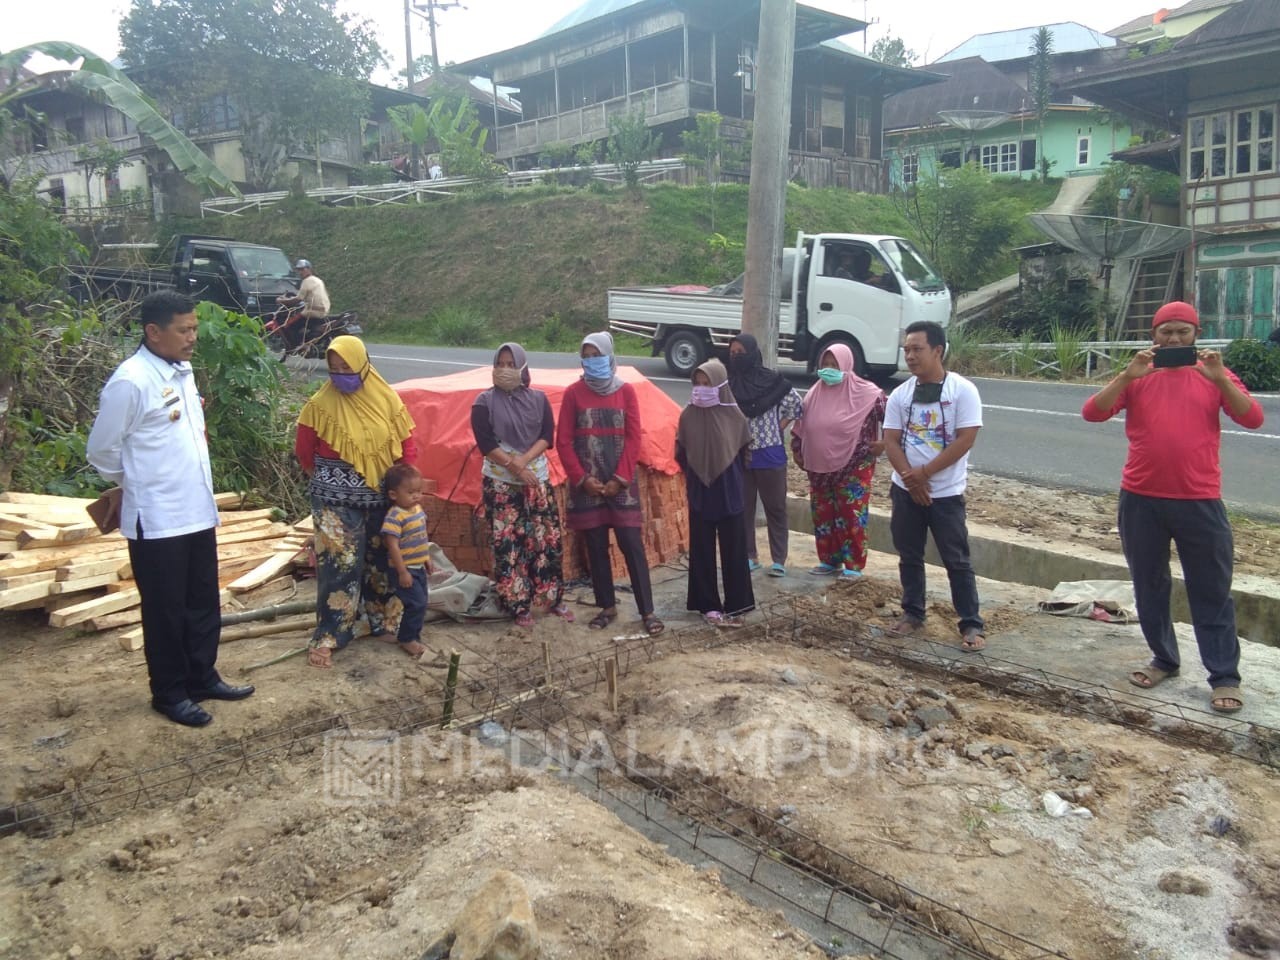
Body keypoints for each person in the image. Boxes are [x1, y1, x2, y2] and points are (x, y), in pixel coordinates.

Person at [1082, 301, 1264, 714]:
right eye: (1167, 332)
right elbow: (1092, 412)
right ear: (1154, 335)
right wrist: (1127, 375)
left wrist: (1219, 378)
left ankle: (1223, 676)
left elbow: (1252, 418)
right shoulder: (1140, 375)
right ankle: (1164, 658)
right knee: (1149, 584)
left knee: (1211, 590)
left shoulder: (1213, 374)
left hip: (1200, 499)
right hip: (1141, 498)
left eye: (1183, 331)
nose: (1174, 339)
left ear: (1196, 334)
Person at [86, 290, 254, 727]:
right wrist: (136, 481)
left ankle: (202, 676)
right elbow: (102, 450)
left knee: (202, 601)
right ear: (154, 332)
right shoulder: (131, 380)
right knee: (165, 609)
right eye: (185, 330)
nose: (193, 337)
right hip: (157, 517)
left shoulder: (182, 371)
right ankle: (170, 692)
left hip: (195, 509)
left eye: (194, 328)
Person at [295, 335, 418, 668]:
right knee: (339, 567)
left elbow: (407, 448)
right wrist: (333, 482)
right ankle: (332, 633)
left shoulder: (389, 401)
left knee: (383, 563)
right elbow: (304, 451)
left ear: (363, 365)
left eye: (346, 367)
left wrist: (403, 491)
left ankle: (384, 622)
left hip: (384, 498)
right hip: (334, 502)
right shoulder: (319, 405)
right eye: (333, 369)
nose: (340, 374)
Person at [882, 320, 985, 650]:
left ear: (938, 351)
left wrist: (924, 474)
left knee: (956, 559)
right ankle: (913, 614)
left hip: (945, 493)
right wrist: (910, 481)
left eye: (917, 349)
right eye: (907, 350)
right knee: (909, 554)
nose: (910, 356)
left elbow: (966, 438)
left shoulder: (962, 391)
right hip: (905, 490)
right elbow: (891, 440)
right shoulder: (901, 394)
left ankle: (970, 624)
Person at [555, 332, 664, 636]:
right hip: (587, 486)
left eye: (596, 355)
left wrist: (620, 478)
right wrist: (582, 479)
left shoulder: (625, 391)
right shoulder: (573, 393)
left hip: (621, 485)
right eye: (586, 356)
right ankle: (607, 607)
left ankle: (647, 611)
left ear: (609, 355)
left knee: (632, 545)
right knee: (596, 548)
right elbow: (562, 441)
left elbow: (633, 437)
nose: (592, 361)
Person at [471, 342, 573, 628]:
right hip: (501, 483)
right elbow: (486, 444)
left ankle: (552, 598)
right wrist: (514, 466)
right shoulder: (483, 402)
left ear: (523, 368)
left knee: (545, 540)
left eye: (510, 365)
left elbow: (545, 435)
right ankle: (518, 605)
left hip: (536, 480)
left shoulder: (538, 400)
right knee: (509, 545)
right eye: (500, 364)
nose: (504, 370)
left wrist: (525, 462)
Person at [790, 343, 886, 579]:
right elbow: (800, 426)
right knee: (823, 514)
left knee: (850, 514)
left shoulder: (868, 393)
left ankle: (853, 565)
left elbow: (894, 421)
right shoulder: (814, 392)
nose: (829, 369)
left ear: (847, 365)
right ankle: (829, 560)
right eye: (826, 364)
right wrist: (797, 450)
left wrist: (883, 444)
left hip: (854, 466)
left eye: (835, 365)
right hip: (819, 467)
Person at [676, 359, 754, 626]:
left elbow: (745, 453)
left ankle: (738, 605)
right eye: (697, 383)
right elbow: (680, 452)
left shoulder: (735, 416)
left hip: (729, 490)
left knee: (734, 548)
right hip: (700, 490)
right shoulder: (687, 416)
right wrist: (697, 473)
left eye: (707, 383)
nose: (701, 389)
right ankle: (707, 604)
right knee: (701, 550)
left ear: (720, 385)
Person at [727, 334, 803, 577]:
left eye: (741, 352)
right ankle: (750, 556)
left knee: (776, 508)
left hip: (770, 454)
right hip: (740, 455)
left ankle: (778, 559)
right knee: (743, 509)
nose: (737, 357)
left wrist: (778, 427)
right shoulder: (729, 384)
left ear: (752, 353)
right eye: (733, 353)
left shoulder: (773, 382)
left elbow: (796, 405)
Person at [380, 463, 430, 658]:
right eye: (411, 492)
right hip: (405, 568)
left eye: (419, 491)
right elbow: (392, 546)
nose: (416, 496)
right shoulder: (394, 516)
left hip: (418, 566)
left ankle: (412, 635)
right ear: (394, 495)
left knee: (422, 601)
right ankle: (407, 639)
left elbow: (422, 536)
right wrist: (402, 572)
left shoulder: (417, 509)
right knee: (416, 603)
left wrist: (426, 559)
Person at [279, 259, 330, 351]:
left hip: (313, 311)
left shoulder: (307, 281)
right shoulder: (317, 280)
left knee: (291, 325)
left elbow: (298, 299)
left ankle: (301, 345)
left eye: (303, 269)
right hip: (324, 309)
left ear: (309, 269)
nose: (300, 272)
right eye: (299, 270)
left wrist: (282, 301)